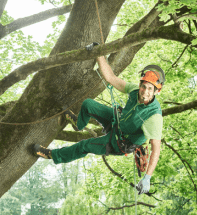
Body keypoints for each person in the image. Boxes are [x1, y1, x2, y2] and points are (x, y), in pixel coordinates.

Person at [33, 45, 165, 195]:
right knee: (88, 104)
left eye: (150, 89)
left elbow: (156, 148)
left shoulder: (154, 116)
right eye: (144, 86)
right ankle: (78, 124)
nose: (145, 92)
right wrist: (98, 54)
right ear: (140, 84)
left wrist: (147, 177)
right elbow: (111, 78)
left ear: (156, 91)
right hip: (118, 122)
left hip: (119, 142)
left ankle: (52, 155)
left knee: (85, 145)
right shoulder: (135, 91)